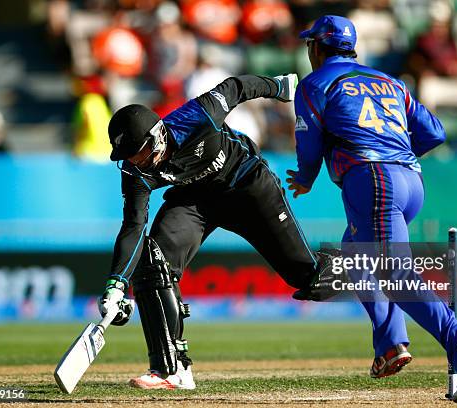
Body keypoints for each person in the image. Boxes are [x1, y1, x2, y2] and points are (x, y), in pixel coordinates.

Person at [287, 15, 457, 403]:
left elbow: (309, 141)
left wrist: (306, 177)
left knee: (395, 273)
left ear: (317, 47)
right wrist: (394, 154)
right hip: (409, 182)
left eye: (309, 45)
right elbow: (434, 131)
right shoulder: (388, 81)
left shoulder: (315, 83)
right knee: (354, 256)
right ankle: (389, 344)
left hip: (373, 183)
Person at [97, 73, 337, 390]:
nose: (136, 162)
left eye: (139, 153)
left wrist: (278, 87)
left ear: (157, 137)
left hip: (247, 188)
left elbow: (235, 88)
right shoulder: (134, 170)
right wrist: (117, 283)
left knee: (309, 279)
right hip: (194, 201)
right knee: (152, 263)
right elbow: (133, 226)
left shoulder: (198, 114)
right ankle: (172, 369)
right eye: (128, 157)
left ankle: (357, 265)